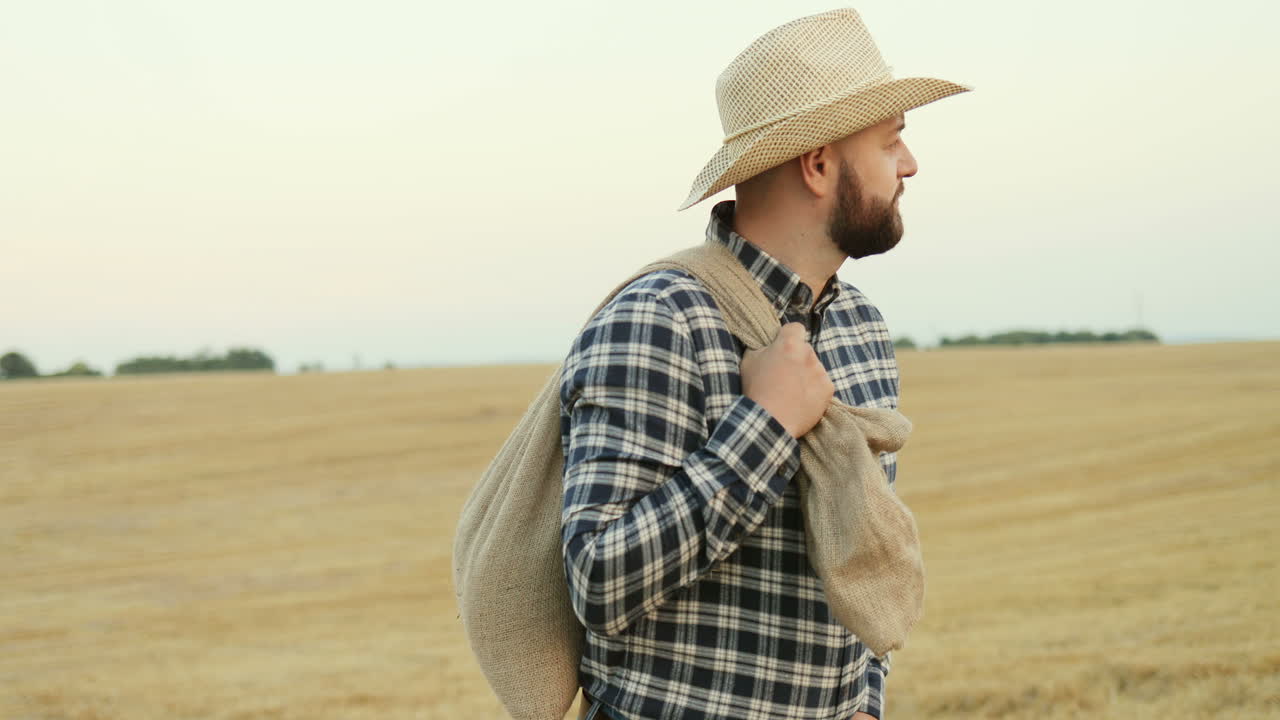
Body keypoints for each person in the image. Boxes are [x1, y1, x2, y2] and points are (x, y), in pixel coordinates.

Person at [559, 8, 969, 720]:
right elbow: (598, 582)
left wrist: (866, 699)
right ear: (818, 165)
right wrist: (766, 424)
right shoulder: (659, 319)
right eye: (890, 143)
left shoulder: (861, 327)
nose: (909, 165)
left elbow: (859, 555)